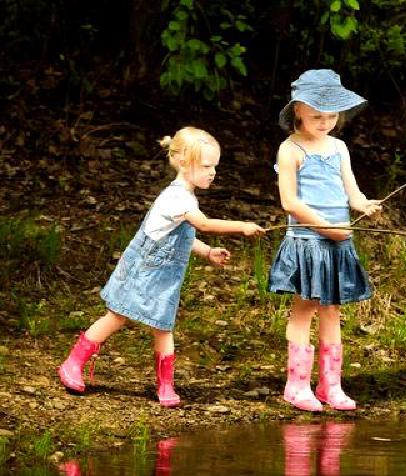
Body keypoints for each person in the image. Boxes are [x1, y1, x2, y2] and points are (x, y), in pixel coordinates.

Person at [58, 126, 264, 407]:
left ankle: (165, 384)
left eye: (214, 166)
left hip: (165, 277)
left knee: (163, 326)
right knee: (117, 315)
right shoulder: (176, 196)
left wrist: (207, 251)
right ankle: (73, 363)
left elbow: (183, 236)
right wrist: (242, 226)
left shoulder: (187, 197)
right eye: (206, 166)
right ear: (182, 162)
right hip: (143, 267)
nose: (213, 172)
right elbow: (202, 224)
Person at [269, 69, 381, 412]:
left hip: (338, 241)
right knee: (304, 309)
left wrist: (363, 204)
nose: (325, 122)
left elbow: (351, 190)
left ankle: (331, 385)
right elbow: (290, 202)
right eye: (317, 115)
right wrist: (324, 227)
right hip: (307, 241)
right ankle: (296, 385)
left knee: (332, 310)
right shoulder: (290, 150)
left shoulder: (339, 148)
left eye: (332, 116)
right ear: (298, 110)